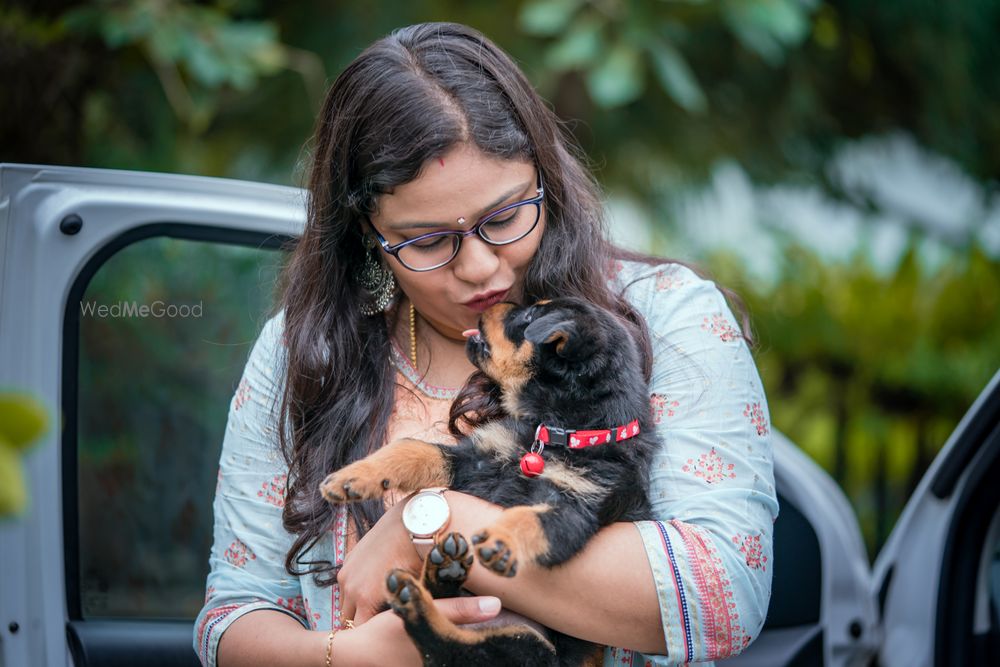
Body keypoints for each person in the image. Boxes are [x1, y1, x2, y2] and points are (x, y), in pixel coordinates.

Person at [194, 21, 778, 667]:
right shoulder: (305, 352)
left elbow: (725, 591)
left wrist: (432, 523)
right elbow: (233, 618)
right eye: (426, 240)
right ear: (368, 232)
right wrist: (356, 655)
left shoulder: (666, 319)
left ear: (545, 180)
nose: (478, 267)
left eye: (504, 217)